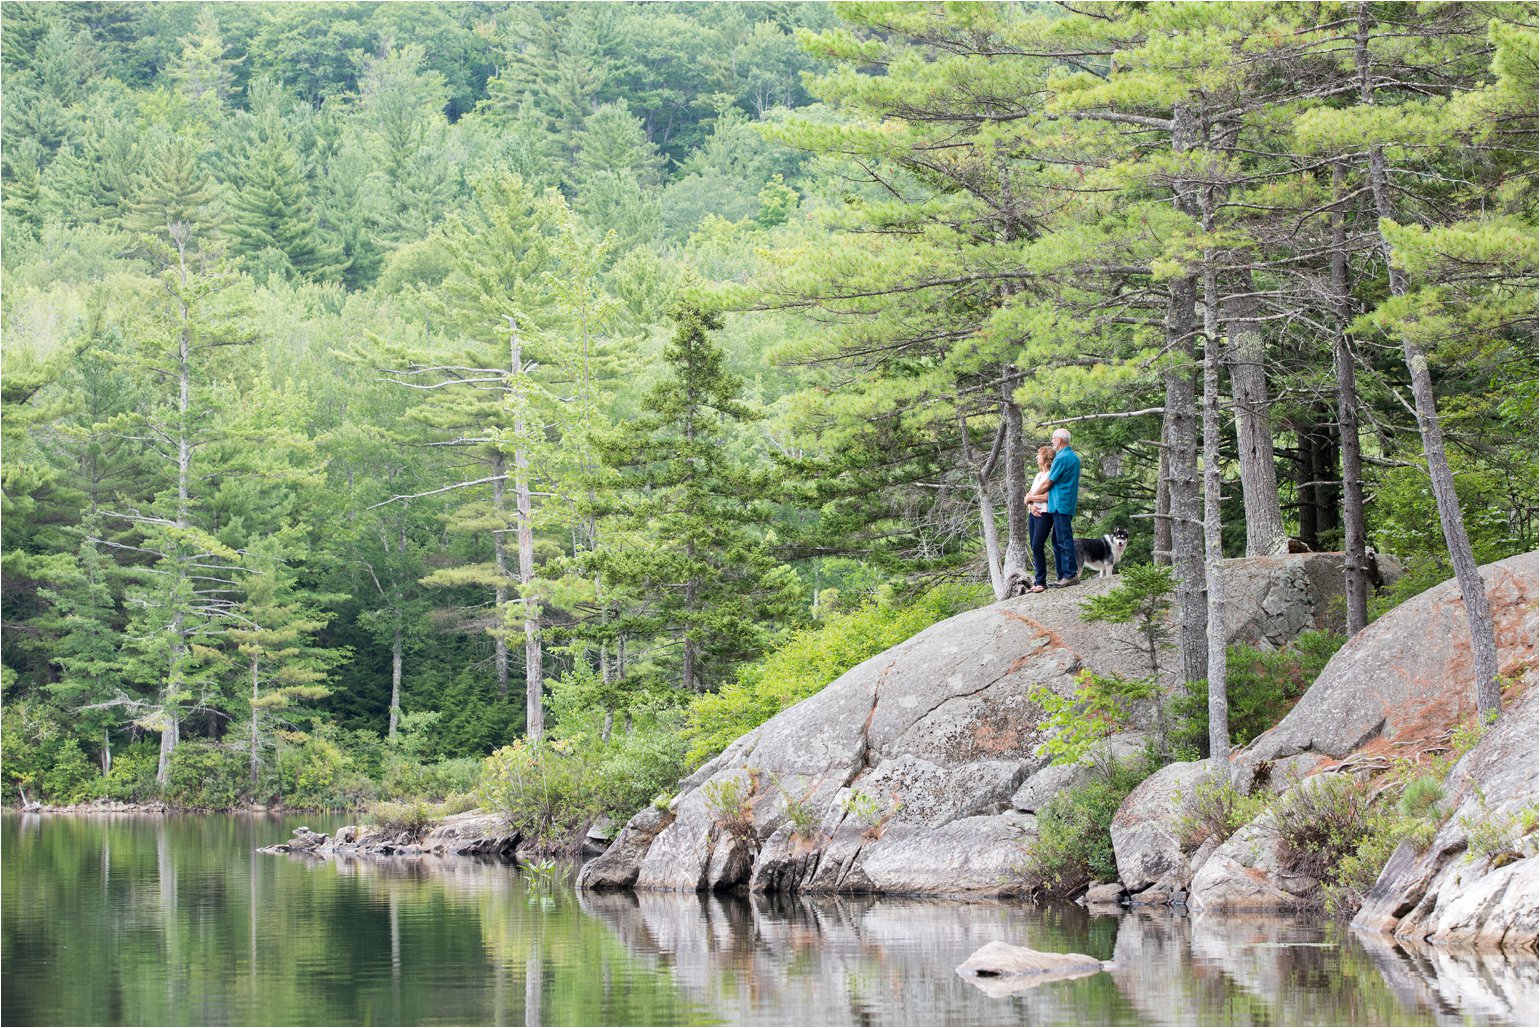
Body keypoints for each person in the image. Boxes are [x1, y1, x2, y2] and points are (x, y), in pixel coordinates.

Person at [1044, 427, 1081, 588]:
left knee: (1064, 539)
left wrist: (1030, 495)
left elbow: (1049, 481)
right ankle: (1062, 575)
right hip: (1065, 503)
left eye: (1053, 439)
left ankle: (1070, 574)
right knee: (1057, 540)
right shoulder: (1073, 457)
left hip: (1060, 503)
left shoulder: (1061, 458)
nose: (1052, 442)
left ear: (1059, 440)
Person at [1024, 445, 1054, 593]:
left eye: (1039, 455)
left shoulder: (1050, 475)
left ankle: (1041, 581)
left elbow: (1047, 497)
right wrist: (1030, 506)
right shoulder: (1037, 476)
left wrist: (1030, 498)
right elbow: (1028, 496)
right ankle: (1037, 581)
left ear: (1046, 458)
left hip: (1045, 513)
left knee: (1037, 545)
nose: (1037, 457)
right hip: (1033, 513)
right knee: (1033, 546)